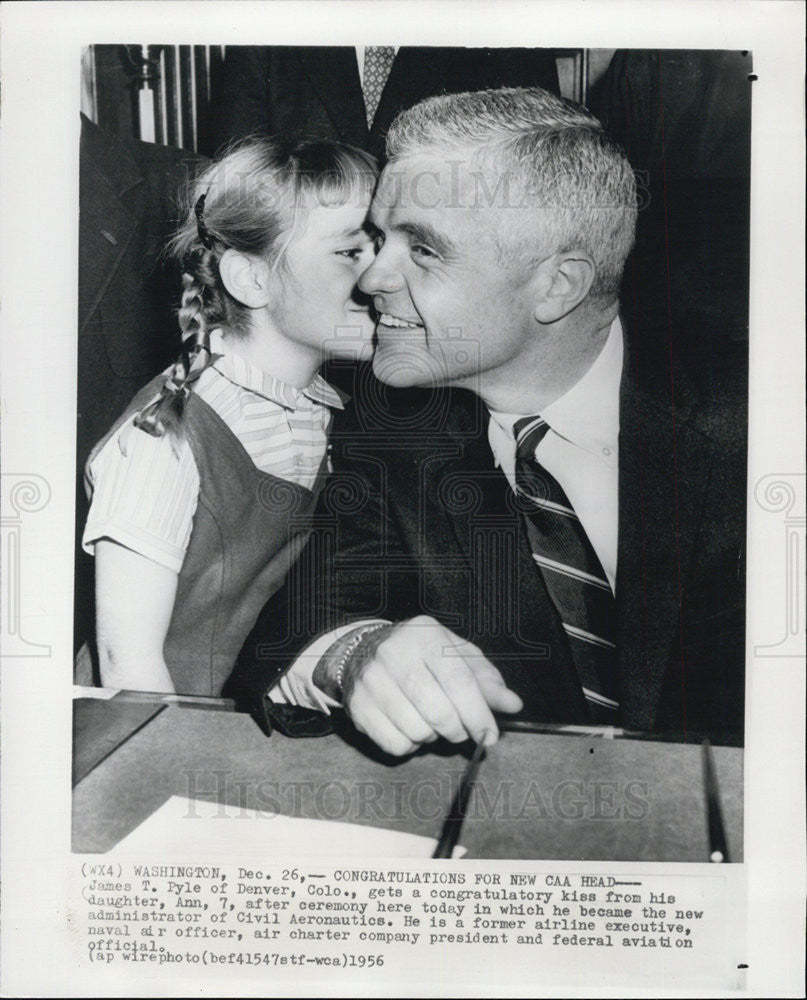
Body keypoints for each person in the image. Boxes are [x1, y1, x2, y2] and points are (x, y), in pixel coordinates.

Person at [232, 87, 746, 751]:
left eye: (423, 250)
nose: (371, 279)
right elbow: (296, 629)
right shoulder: (393, 426)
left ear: (557, 286)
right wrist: (355, 653)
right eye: (379, 238)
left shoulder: (755, 418)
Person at [81, 138, 378, 695]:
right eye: (349, 252)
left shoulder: (323, 412)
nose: (381, 277)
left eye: (379, 247)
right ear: (250, 279)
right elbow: (128, 670)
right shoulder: (162, 437)